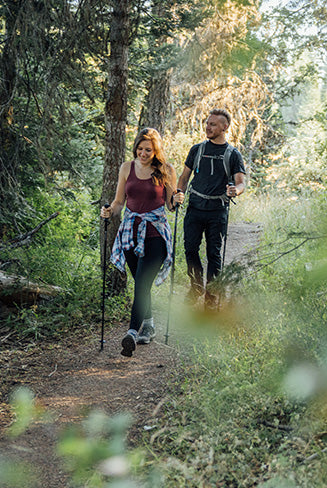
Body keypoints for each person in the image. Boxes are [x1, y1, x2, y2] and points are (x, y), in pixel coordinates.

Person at [101, 128, 183, 357]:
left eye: (148, 149)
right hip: (130, 232)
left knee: (141, 284)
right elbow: (119, 202)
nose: (143, 153)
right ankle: (149, 324)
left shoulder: (166, 170)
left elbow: (170, 205)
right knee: (139, 282)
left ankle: (132, 333)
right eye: (140, 148)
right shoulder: (127, 168)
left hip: (155, 234)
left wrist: (177, 199)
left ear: (156, 151)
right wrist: (109, 211)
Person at [176, 108, 246, 309]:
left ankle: (211, 296)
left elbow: (241, 183)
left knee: (214, 254)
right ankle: (196, 285)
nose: (208, 127)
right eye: (207, 123)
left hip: (218, 210)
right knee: (190, 249)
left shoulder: (232, 154)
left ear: (225, 127)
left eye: (213, 124)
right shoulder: (197, 150)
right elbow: (184, 177)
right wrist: (178, 194)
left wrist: (236, 191)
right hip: (195, 208)